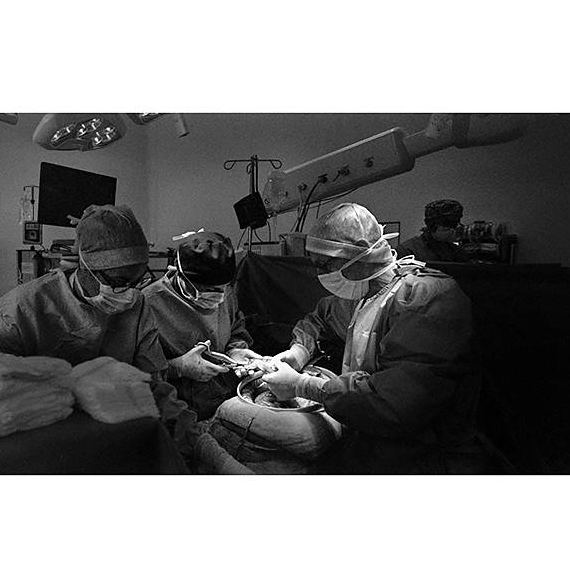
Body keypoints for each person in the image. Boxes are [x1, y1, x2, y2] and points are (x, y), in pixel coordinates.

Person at [259, 202, 488, 473]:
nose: (320, 274)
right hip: (369, 441)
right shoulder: (363, 294)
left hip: (424, 456)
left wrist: (302, 386)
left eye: (325, 264)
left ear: (360, 253)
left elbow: (394, 403)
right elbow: (320, 319)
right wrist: (299, 351)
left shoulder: (428, 299)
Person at [0, 203, 200, 458]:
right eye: (119, 282)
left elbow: (153, 386)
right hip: (45, 443)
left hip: (117, 436)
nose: (129, 292)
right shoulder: (19, 310)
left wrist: (197, 442)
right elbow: (2, 401)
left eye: (138, 281)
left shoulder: (136, 306)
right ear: (85, 265)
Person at [142, 230, 263, 420]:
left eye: (222, 289)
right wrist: (178, 367)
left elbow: (236, 328)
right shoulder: (149, 305)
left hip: (226, 399)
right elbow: (135, 372)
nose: (218, 297)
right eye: (208, 290)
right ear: (180, 275)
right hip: (178, 413)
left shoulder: (224, 291)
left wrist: (235, 350)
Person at [399, 199, 470, 262]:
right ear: (433, 226)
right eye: (446, 228)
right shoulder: (408, 250)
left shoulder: (456, 251)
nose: (452, 232)